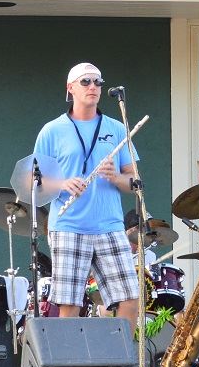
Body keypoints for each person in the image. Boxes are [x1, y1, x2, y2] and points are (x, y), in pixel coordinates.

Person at [33, 63, 141, 323]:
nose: (93, 87)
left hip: (109, 225)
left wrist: (115, 177)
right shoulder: (52, 130)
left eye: (98, 82)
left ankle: (120, 361)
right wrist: (62, 184)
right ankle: (69, 364)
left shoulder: (116, 128)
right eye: (85, 82)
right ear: (70, 88)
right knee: (69, 302)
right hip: (69, 225)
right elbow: (33, 180)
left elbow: (135, 181)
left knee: (130, 298)